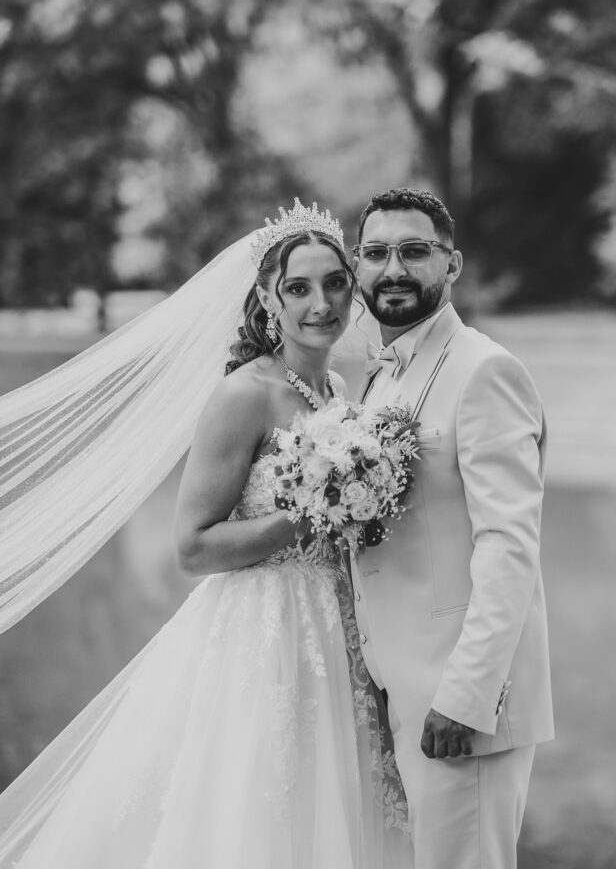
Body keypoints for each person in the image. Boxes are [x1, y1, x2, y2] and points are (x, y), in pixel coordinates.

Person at [0, 200, 412, 868]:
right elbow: (192, 547)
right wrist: (311, 513)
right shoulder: (243, 395)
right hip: (264, 634)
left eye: (335, 283)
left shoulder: (337, 388)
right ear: (268, 299)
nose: (321, 304)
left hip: (334, 630)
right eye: (298, 288)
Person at [350, 189, 553, 869]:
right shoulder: (379, 378)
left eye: (414, 251)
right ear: (357, 265)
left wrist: (466, 697)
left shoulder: (484, 370)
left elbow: (509, 546)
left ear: (452, 264)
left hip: (461, 704)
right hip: (398, 684)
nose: (393, 269)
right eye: (376, 253)